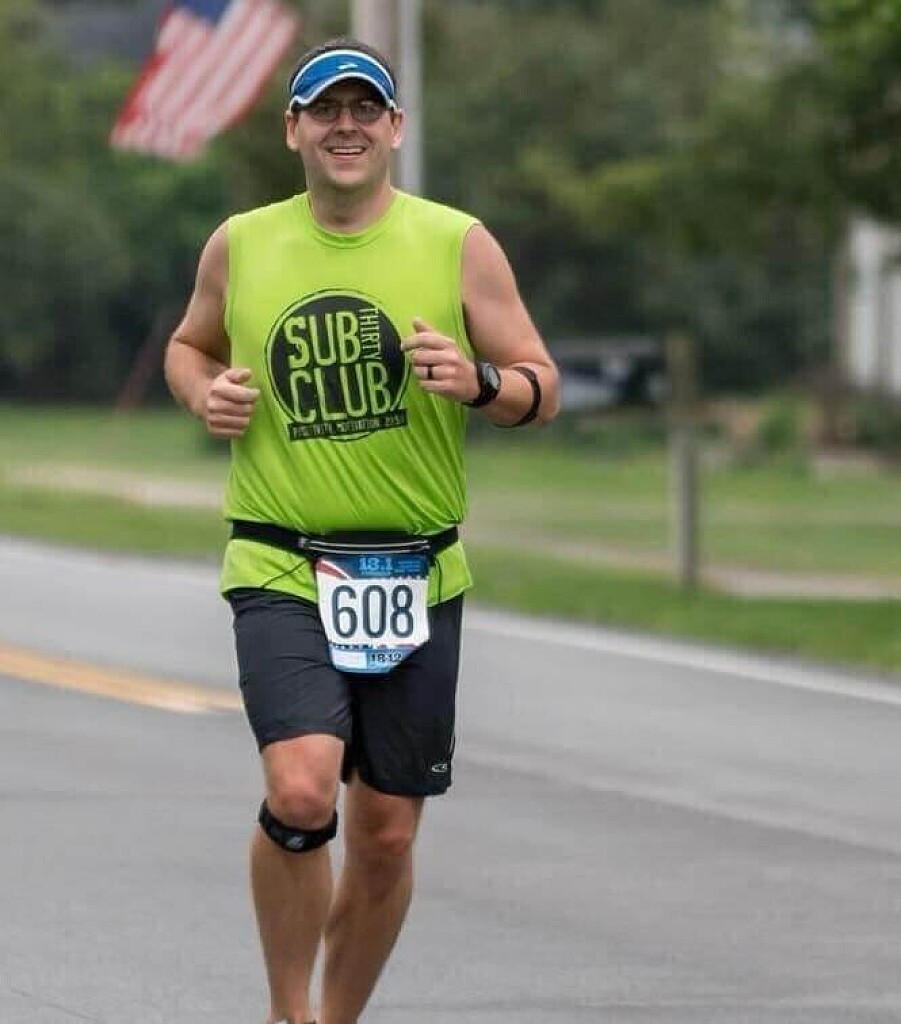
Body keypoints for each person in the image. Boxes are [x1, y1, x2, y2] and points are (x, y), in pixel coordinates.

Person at [164, 34, 560, 1024]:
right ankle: (288, 1012)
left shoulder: (456, 242)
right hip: (280, 559)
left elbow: (540, 385)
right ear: (293, 129)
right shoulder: (241, 242)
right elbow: (188, 344)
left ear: (394, 127)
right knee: (303, 790)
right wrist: (204, 392)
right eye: (325, 110)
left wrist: (478, 381)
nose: (345, 126)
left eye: (364, 109)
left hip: (415, 571)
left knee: (384, 834)